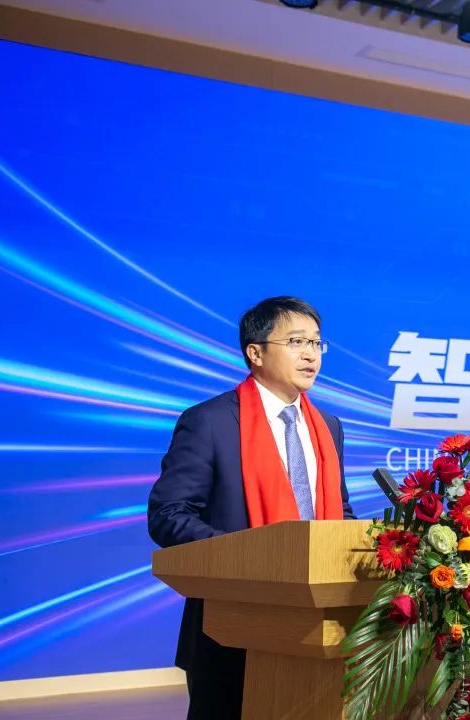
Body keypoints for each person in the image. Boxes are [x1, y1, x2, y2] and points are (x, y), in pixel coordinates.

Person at [148, 296, 355, 720]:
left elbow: (341, 514)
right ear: (255, 353)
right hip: (229, 621)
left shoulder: (329, 426)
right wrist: (249, 555)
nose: (311, 355)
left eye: (316, 342)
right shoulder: (210, 421)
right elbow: (169, 514)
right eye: (296, 342)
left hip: (317, 626)